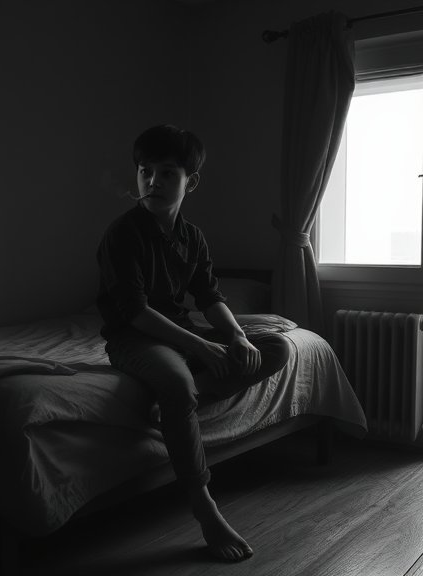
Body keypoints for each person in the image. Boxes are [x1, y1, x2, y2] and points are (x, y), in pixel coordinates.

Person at [96, 125, 292, 562]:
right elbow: (134, 312)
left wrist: (236, 335)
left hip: (180, 329)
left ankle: (183, 400)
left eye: (168, 173)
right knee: (176, 382)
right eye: (145, 171)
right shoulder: (123, 234)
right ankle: (205, 508)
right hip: (134, 337)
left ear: (191, 181)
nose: (153, 181)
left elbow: (209, 296)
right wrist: (201, 348)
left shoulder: (193, 237)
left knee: (277, 347)